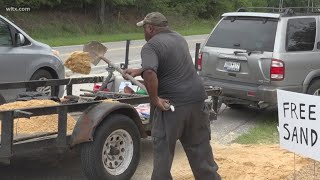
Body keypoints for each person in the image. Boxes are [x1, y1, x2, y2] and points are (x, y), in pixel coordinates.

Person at [123, 12, 221, 180]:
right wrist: (138, 70)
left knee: (163, 155)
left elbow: (150, 72)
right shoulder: (179, 38)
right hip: (197, 101)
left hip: (173, 106)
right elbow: (166, 63)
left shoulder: (151, 46)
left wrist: (155, 99)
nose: (144, 33)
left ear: (151, 28)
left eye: (144, 29)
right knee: (200, 151)